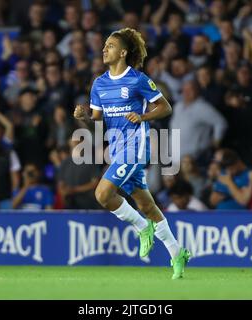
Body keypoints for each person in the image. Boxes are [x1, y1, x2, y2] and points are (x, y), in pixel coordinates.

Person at [73, 28, 190, 279]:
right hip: (116, 149)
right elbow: (97, 123)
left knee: (103, 193)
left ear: (123, 52)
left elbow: (166, 107)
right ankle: (177, 252)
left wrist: (143, 116)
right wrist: (84, 118)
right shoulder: (99, 83)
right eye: (105, 45)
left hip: (136, 147)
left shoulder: (138, 80)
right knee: (147, 205)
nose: (105, 49)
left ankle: (140, 227)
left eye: (111, 45)